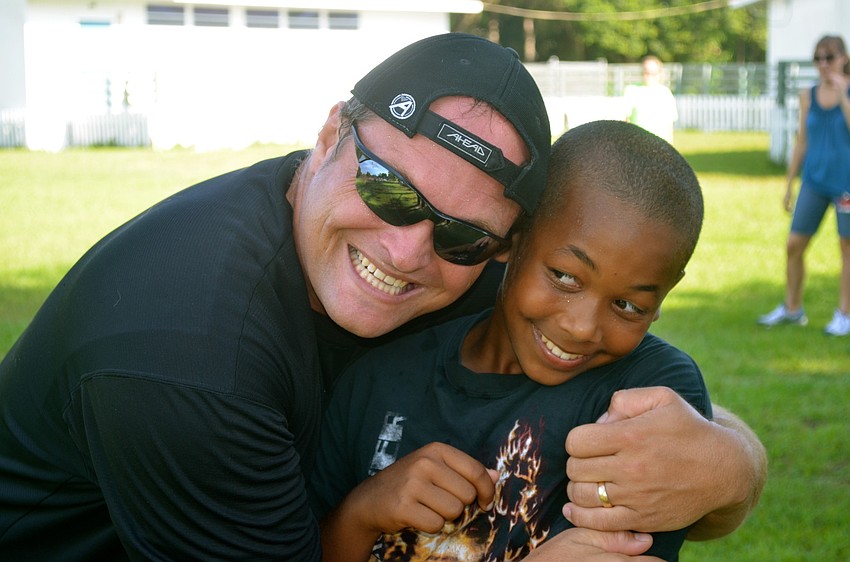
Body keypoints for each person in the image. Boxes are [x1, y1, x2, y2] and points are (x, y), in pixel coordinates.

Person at [0, 33, 764, 560]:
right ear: (332, 132)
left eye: (465, 236)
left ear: (506, 245)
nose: (408, 253)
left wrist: (734, 462)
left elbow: (630, 394)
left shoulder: (479, 274)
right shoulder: (184, 353)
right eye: (387, 188)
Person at [309, 120, 726, 562]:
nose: (583, 327)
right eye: (565, 277)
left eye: (628, 305)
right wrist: (363, 513)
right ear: (512, 236)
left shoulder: (649, 398)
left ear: (664, 295)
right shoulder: (379, 375)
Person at [758, 35, 850, 336]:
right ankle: (792, 308)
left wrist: (843, 94)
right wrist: (788, 183)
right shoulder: (807, 95)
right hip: (814, 180)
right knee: (794, 245)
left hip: (846, 185)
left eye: (830, 57)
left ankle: (844, 315)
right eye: (818, 58)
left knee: (846, 249)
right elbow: (802, 141)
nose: (823, 64)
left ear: (843, 58)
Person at [624, 55, 678, 143]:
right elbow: (626, 121)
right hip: (637, 143)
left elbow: (670, 125)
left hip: (660, 145)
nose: (649, 76)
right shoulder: (631, 90)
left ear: (659, 73)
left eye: (653, 73)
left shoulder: (665, 93)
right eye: (646, 72)